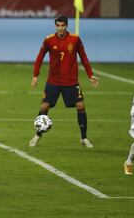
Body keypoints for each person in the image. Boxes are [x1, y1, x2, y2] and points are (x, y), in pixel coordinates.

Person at [29, 15, 99, 148]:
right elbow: (39, 57)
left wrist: (90, 74)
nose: (60, 28)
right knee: (44, 107)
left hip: (71, 81)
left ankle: (84, 138)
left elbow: (83, 57)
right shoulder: (49, 40)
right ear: (55, 25)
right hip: (53, 81)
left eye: (63, 25)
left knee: (80, 106)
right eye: (58, 25)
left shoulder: (75, 39)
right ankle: (38, 135)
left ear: (67, 25)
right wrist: (35, 75)